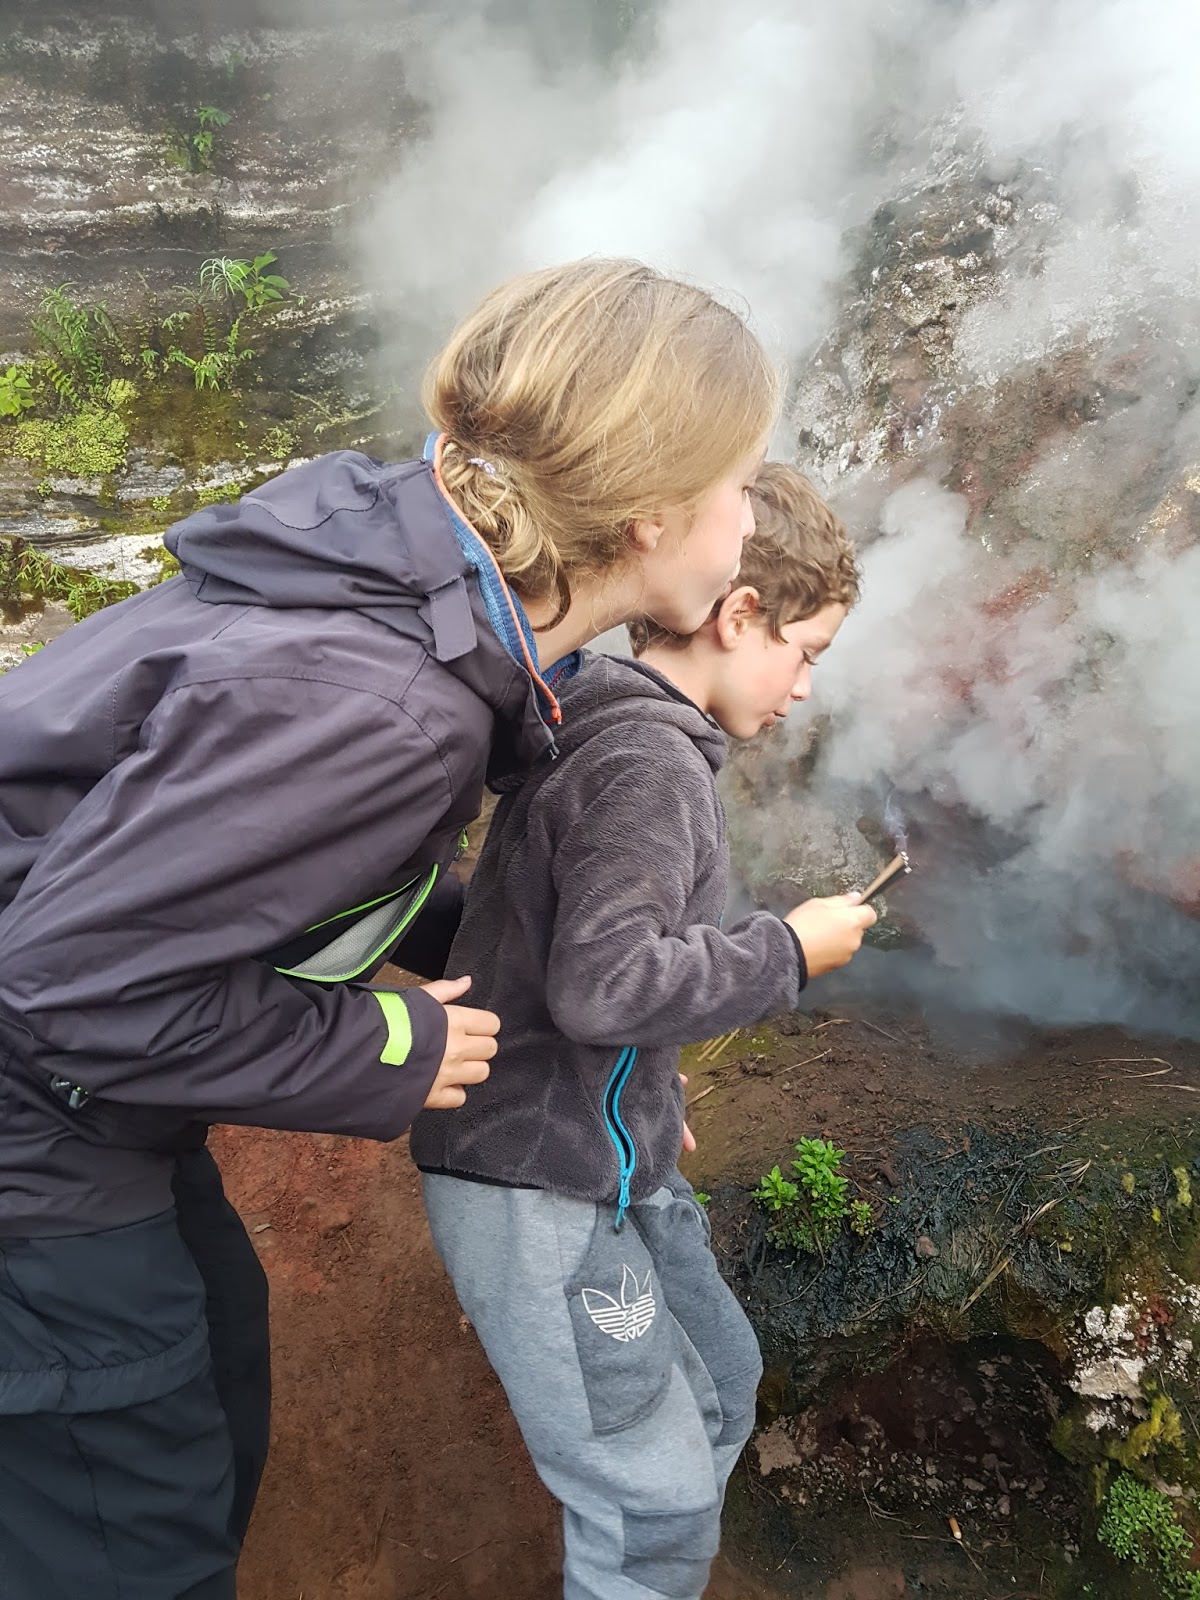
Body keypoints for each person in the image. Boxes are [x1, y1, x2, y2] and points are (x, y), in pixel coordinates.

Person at [0, 258, 783, 1600]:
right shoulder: (383, 705)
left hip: (89, 1112)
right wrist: (385, 1044)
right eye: (740, 481)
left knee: (216, 1379)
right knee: (127, 1535)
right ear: (653, 517)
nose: (752, 511)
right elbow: (65, 985)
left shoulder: (400, 577)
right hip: (36, 1123)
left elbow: (261, 863)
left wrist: (548, 1037)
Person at [411, 462, 875, 1600]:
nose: (806, 687)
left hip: (599, 1157)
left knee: (721, 1380)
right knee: (651, 1501)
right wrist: (786, 953)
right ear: (739, 613)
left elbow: (533, 948)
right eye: (806, 651)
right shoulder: (648, 765)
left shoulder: (605, 724)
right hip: (535, 1184)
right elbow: (603, 985)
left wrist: (649, 1105)